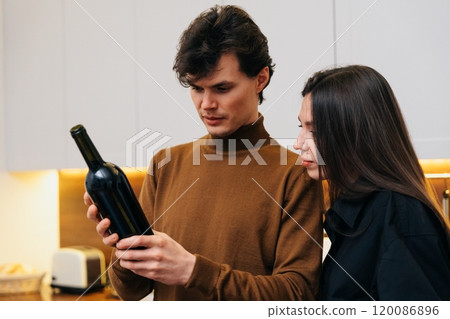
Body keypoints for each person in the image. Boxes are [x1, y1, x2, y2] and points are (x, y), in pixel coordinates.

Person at [85, 5, 323, 300]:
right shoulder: (165, 165)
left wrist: (192, 271)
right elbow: (131, 290)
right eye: (197, 88)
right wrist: (122, 246)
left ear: (260, 79)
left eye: (222, 88)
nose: (206, 104)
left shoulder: (295, 174)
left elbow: (297, 295)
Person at [294, 64, 450, 300]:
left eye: (314, 131)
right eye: (301, 127)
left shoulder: (400, 214)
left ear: (355, 133)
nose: (298, 143)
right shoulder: (361, 213)